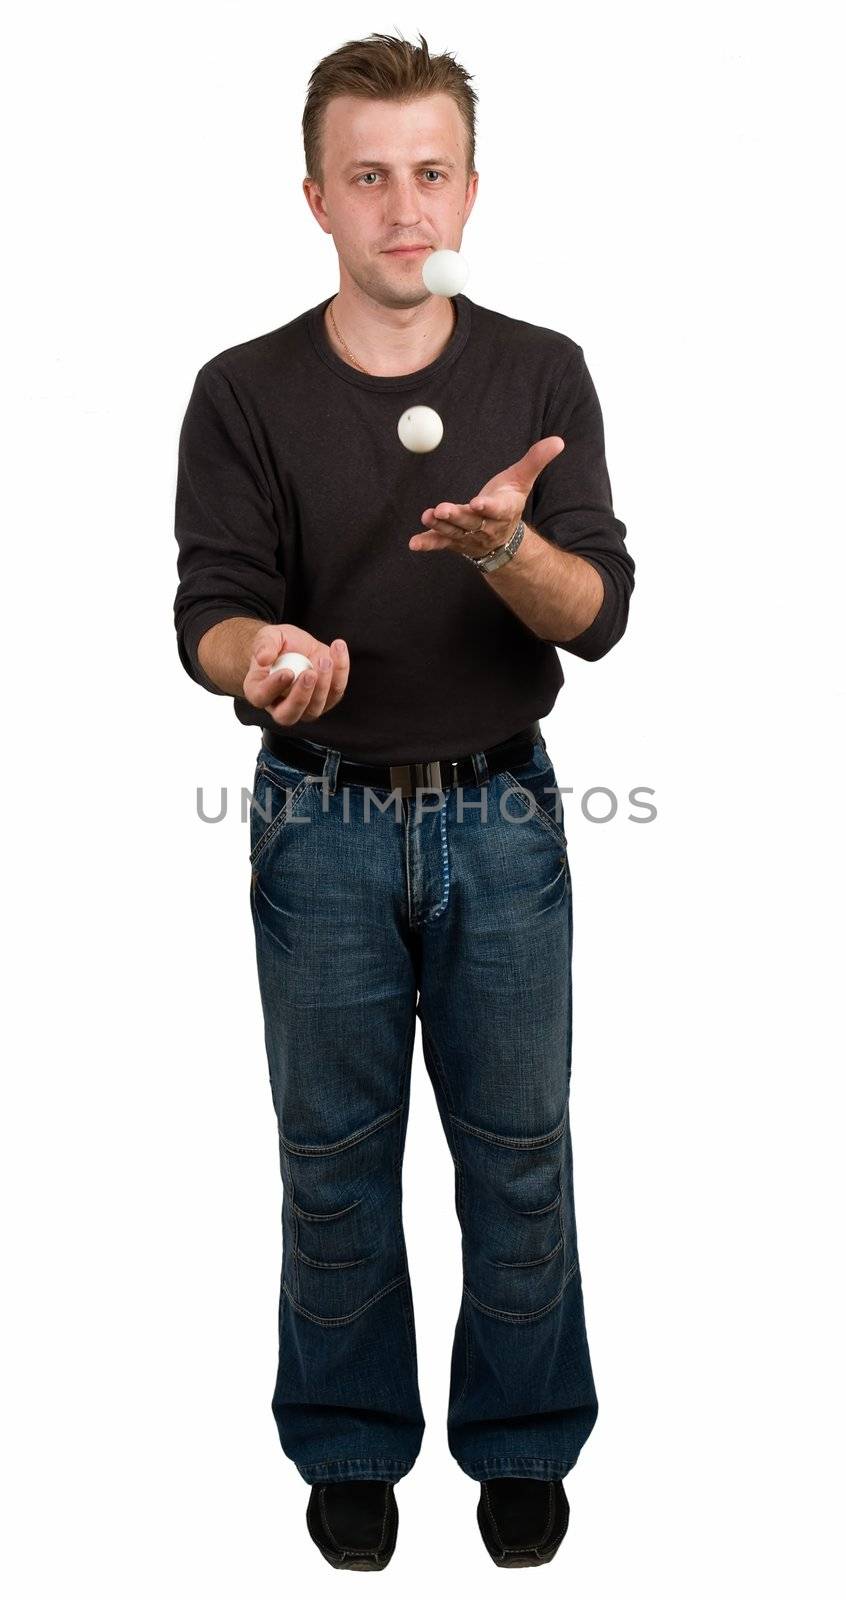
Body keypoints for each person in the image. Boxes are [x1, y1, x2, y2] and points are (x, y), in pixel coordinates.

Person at [173, 29, 634, 1572]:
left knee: (518, 1154)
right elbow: (211, 616)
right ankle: (352, 1446)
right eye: (367, 177)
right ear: (315, 196)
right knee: (330, 1157)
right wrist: (270, 660)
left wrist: (508, 549)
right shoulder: (241, 390)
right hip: (319, 823)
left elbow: (596, 615)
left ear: (471, 186)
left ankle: (518, 1446)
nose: (402, 207)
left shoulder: (537, 371)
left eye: (428, 172)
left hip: (502, 820)